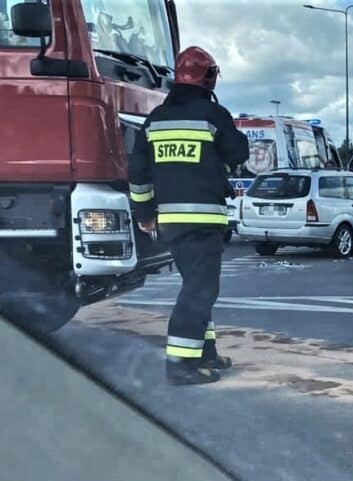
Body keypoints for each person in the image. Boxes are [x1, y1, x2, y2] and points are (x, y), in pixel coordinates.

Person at [129, 46, 249, 385]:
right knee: (200, 291)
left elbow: (138, 171)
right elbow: (239, 152)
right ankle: (180, 364)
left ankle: (204, 353)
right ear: (208, 78)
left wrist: (144, 213)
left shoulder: (155, 119)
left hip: (170, 223)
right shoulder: (213, 116)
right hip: (204, 221)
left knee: (197, 287)